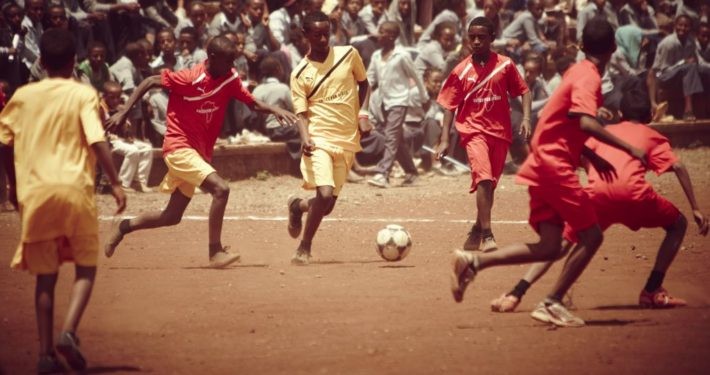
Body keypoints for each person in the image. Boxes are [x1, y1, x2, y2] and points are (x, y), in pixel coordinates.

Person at [448, 18, 648, 327]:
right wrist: (629, 148)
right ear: (613, 48)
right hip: (555, 166)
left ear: (582, 45)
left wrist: (591, 154)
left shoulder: (575, 71)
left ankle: (474, 261)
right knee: (592, 236)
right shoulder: (589, 77)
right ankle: (552, 302)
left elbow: (560, 122)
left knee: (550, 246)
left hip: (542, 163)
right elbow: (585, 122)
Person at [490, 85, 709, 314]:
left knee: (563, 243)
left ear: (620, 114)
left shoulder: (602, 132)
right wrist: (695, 208)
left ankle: (516, 293)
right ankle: (652, 289)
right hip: (635, 195)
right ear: (650, 116)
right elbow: (679, 166)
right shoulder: (653, 135)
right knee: (678, 224)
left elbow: (581, 153)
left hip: (598, 195)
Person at [104, 36, 299, 268]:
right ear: (212, 58)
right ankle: (215, 251)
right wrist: (124, 112)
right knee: (221, 189)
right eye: (227, 62)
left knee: (171, 216)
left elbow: (251, 102)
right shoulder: (189, 77)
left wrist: (274, 108)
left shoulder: (229, 77)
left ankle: (124, 226)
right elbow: (149, 81)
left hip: (197, 153)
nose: (231, 67)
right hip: (178, 147)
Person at [0, 28, 126, 373]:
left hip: (36, 194)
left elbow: (5, 143)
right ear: (74, 62)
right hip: (74, 189)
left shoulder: (23, 96)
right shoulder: (82, 94)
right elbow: (97, 139)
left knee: (45, 275)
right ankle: (68, 331)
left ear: (40, 61)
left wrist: (11, 186)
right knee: (85, 266)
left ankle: (44, 355)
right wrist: (115, 183)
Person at [435, 16, 532, 252]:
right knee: (484, 179)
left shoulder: (505, 65)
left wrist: (527, 118)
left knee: (489, 186)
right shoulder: (461, 70)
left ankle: (477, 227)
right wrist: (445, 139)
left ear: (492, 39)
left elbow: (524, 91)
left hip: (500, 133)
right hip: (473, 131)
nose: (476, 41)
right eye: (472, 37)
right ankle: (488, 234)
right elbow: (450, 105)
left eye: (481, 37)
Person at [287, 11, 371, 265]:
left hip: (346, 140)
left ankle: (297, 206)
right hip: (319, 138)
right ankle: (304, 247)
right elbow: (301, 113)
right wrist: (305, 137)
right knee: (323, 196)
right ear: (305, 36)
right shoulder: (300, 73)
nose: (323, 39)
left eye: (327, 33)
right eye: (317, 35)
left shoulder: (348, 54)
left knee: (328, 206)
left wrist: (362, 114)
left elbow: (364, 84)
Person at [366, 21, 427, 188]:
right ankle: (411, 173)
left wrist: (423, 97)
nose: (379, 34)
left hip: (399, 101)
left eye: (383, 32)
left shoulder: (402, 55)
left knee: (391, 136)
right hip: (383, 103)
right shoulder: (376, 56)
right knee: (397, 139)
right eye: (379, 31)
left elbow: (415, 75)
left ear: (392, 36)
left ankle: (383, 173)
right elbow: (369, 79)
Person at [647, 15, 705, 121]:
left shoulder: (690, 42)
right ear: (675, 26)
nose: (682, 28)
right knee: (690, 67)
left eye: (686, 26)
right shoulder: (668, 44)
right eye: (680, 25)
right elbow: (662, 71)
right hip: (664, 76)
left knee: (701, 70)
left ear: (690, 29)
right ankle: (688, 110)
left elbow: (698, 62)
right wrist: (683, 63)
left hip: (681, 74)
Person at [100, 81, 154, 193]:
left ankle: (138, 182)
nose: (115, 100)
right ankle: (123, 184)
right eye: (112, 98)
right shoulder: (100, 108)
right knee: (133, 151)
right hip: (107, 141)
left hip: (118, 139)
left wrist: (124, 116)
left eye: (117, 98)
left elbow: (126, 130)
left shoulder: (120, 108)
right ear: (104, 96)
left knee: (147, 148)